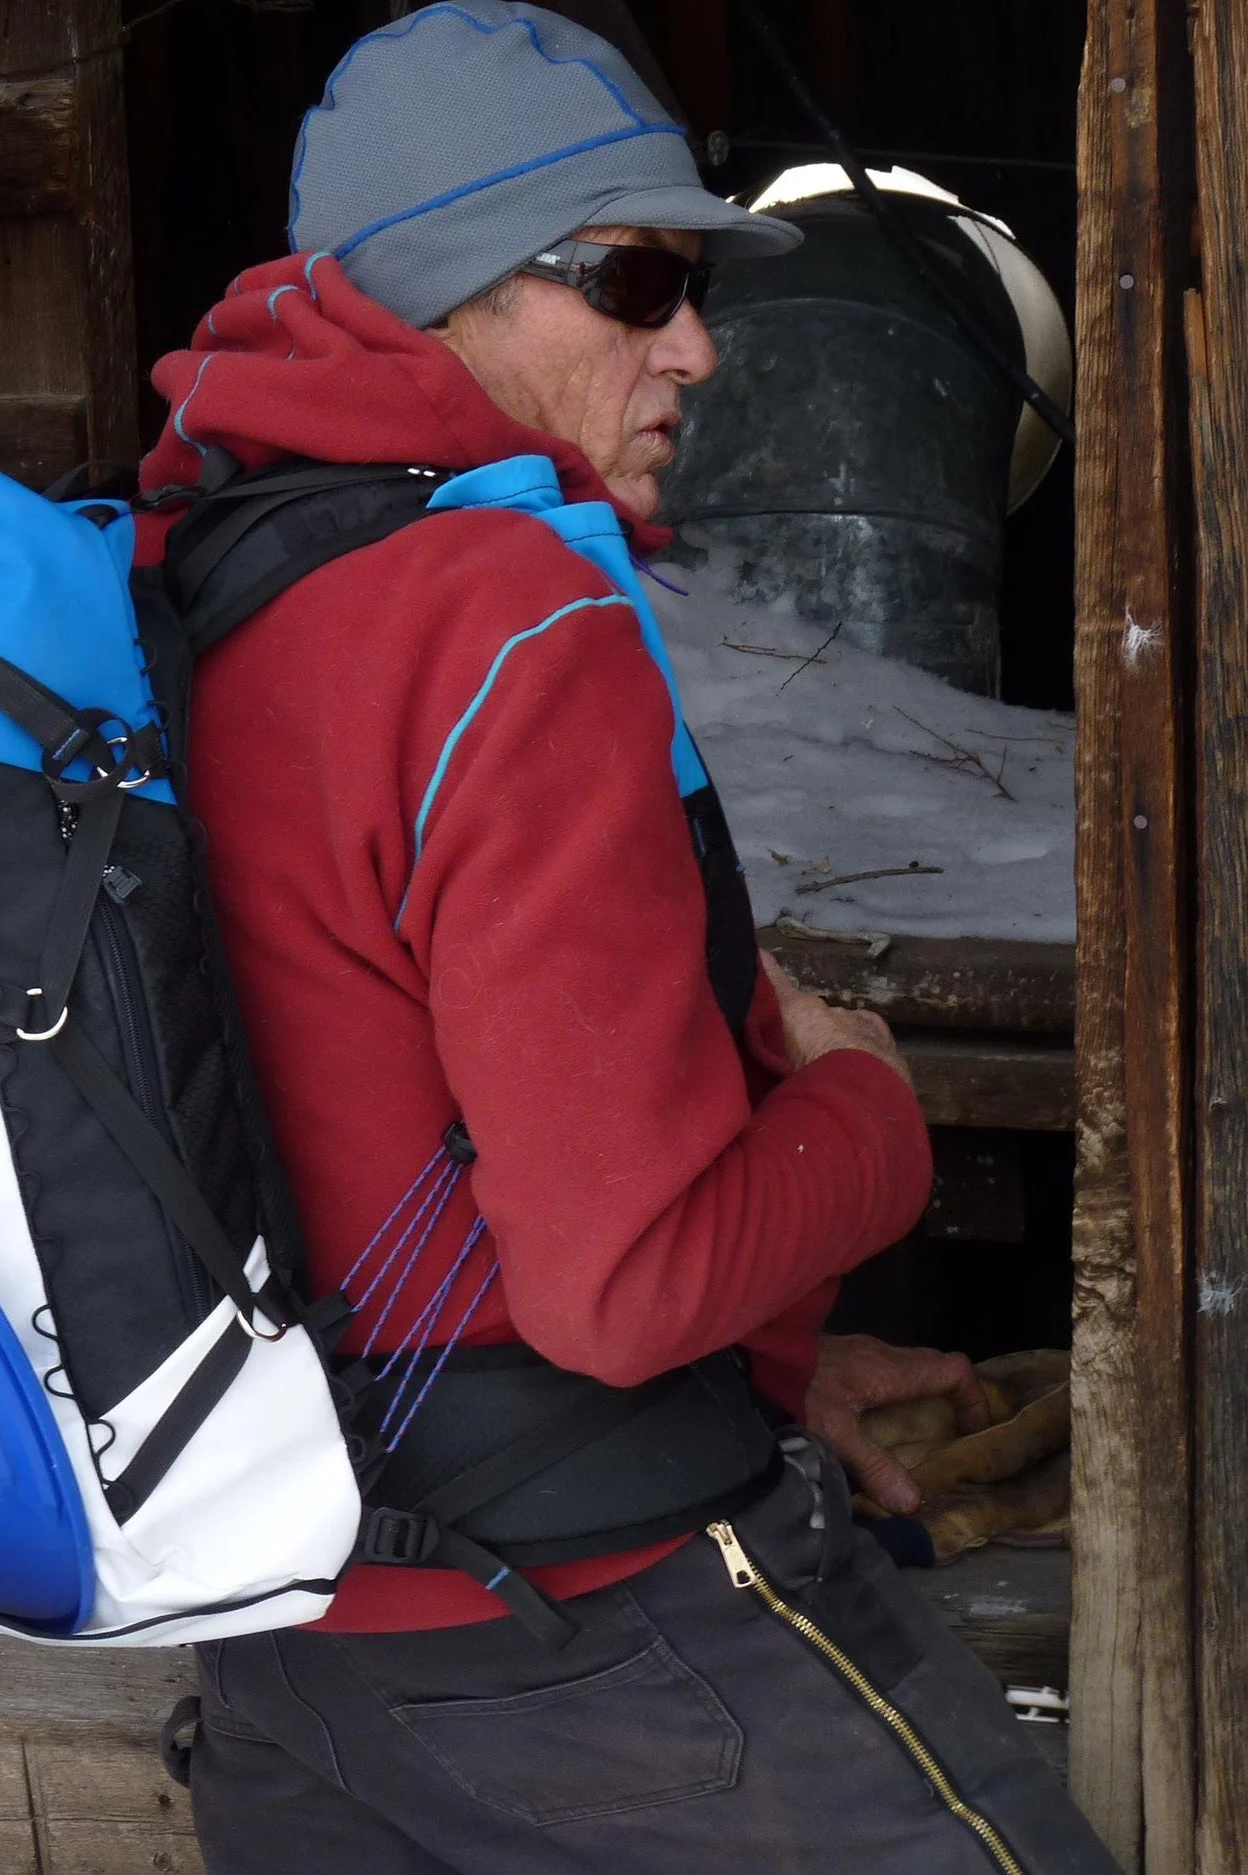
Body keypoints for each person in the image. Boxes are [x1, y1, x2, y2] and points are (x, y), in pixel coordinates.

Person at [138, 5, 1119, 1869]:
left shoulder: (212, 571)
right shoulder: (510, 627)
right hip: (597, 1636)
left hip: (295, 1646)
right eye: (634, 277)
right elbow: (619, 1284)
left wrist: (769, 1362)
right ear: (454, 295)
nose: (699, 341)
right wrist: (865, 1122)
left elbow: (372, 1145)